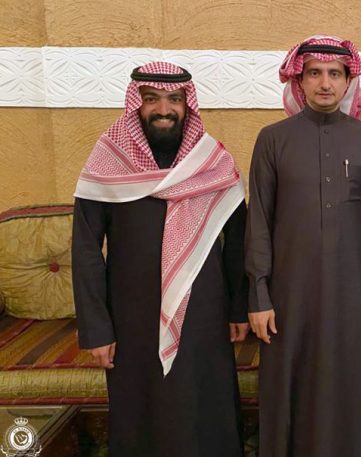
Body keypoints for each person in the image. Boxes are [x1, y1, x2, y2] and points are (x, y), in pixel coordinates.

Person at [72, 62, 249, 457]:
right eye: (151, 99)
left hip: (204, 313)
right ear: (136, 104)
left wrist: (239, 308)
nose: (163, 109)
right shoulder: (107, 161)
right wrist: (97, 328)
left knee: (204, 405)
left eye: (174, 99)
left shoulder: (212, 161)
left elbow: (239, 241)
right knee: (141, 407)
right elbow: (86, 248)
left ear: (188, 105)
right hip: (132, 316)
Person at [245, 35, 361, 457]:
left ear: (348, 81)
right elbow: (259, 222)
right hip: (289, 294)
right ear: (300, 80)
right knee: (290, 380)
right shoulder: (272, 139)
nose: (325, 83)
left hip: (352, 292)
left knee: (351, 380)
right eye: (314, 73)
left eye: (334, 74)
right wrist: (259, 295)